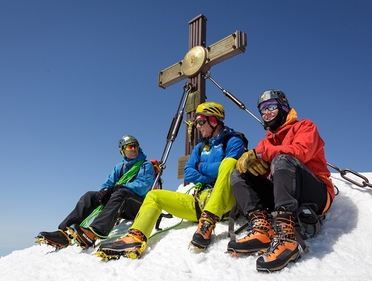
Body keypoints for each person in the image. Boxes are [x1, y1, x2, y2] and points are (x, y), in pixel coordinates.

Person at [96, 102, 246, 259]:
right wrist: (214, 171)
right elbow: (188, 172)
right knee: (155, 196)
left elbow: (229, 169)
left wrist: (200, 166)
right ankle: (135, 238)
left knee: (228, 163)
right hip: (199, 201)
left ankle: (208, 223)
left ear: (214, 121)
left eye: (201, 121)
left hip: (226, 202)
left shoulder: (233, 141)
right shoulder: (199, 147)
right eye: (196, 123)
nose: (198, 126)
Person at [226, 90, 335, 272]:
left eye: (271, 107)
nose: (266, 113)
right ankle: (261, 229)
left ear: (283, 107)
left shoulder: (305, 127)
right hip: (285, 192)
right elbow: (263, 170)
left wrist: (261, 154)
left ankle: (288, 237)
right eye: (262, 110)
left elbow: (300, 152)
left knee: (283, 159)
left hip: (316, 192)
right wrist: (255, 168)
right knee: (239, 173)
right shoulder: (266, 141)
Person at [36, 135, 155, 250]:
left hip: (137, 205)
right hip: (120, 204)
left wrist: (119, 187)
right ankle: (64, 233)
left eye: (135, 146)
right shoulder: (120, 167)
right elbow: (108, 184)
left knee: (122, 192)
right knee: (90, 195)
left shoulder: (145, 165)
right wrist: (103, 192)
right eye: (129, 147)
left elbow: (143, 185)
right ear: (122, 151)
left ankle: (94, 232)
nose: (133, 149)